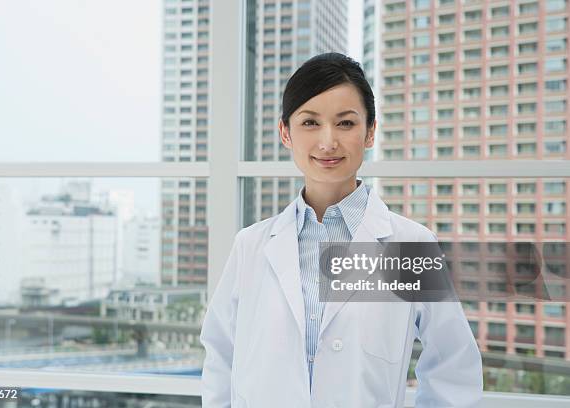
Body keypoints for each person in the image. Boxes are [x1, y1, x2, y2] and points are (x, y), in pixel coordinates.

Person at [200, 53, 482, 407]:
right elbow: (221, 359)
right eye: (310, 123)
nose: (328, 142)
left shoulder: (410, 245)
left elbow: (453, 371)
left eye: (346, 123)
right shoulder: (251, 245)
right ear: (285, 132)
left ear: (370, 131)